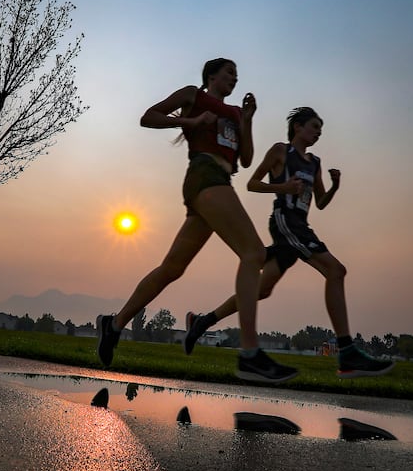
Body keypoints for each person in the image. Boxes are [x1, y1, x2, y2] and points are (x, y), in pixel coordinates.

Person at [97, 58, 297, 383]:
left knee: (172, 269)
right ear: (212, 76)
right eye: (229, 72)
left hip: (221, 181)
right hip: (203, 175)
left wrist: (247, 120)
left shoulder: (234, 113)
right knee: (253, 253)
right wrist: (188, 123)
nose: (234, 77)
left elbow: (244, 160)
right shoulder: (194, 96)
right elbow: (148, 117)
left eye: (237, 73)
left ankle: (115, 324)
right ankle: (250, 353)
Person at [183, 106, 394, 379]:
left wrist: (334, 187)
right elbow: (253, 183)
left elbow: (320, 202)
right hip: (286, 223)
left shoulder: (314, 163)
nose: (318, 133)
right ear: (298, 127)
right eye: (314, 126)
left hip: (301, 225)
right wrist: (282, 188)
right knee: (336, 270)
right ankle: (347, 352)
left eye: (321, 129)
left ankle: (203, 321)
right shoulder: (281, 152)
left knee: (261, 290)